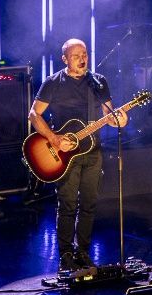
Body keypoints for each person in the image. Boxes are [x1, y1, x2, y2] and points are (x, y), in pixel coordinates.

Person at [28, 38, 128, 270]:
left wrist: (120, 119)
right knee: (67, 204)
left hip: (93, 152)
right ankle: (65, 254)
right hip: (64, 154)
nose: (82, 59)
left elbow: (109, 114)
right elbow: (34, 115)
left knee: (89, 204)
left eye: (84, 54)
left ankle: (82, 252)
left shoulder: (98, 82)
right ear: (65, 59)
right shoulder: (53, 83)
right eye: (76, 56)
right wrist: (54, 138)